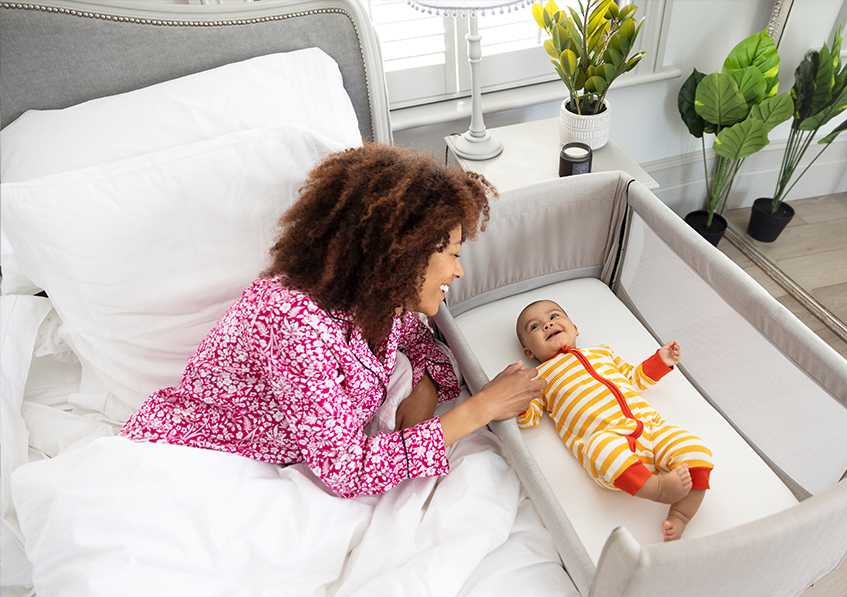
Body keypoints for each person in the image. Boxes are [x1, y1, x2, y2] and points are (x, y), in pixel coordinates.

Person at [121, 144, 544, 499]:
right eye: (452, 253)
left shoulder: (379, 301)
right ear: (402, 255)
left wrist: (426, 391)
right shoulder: (296, 325)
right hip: (203, 461)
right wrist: (478, 409)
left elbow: (420, 341)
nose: (458, 271)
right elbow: (346, 472)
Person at [515, 299, 713, 541]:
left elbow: (634, 378)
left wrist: (660, 362)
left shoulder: (602, 353)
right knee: (601, 449)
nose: (548, 324)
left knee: (696, 449)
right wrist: (519, 402)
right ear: (529, 352)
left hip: (650, 427)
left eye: (555, 316)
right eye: (534, 327)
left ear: (575, 327)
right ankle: (656, 488)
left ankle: (681, 515)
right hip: (606, 439)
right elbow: (530, 419)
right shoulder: (539, 378)